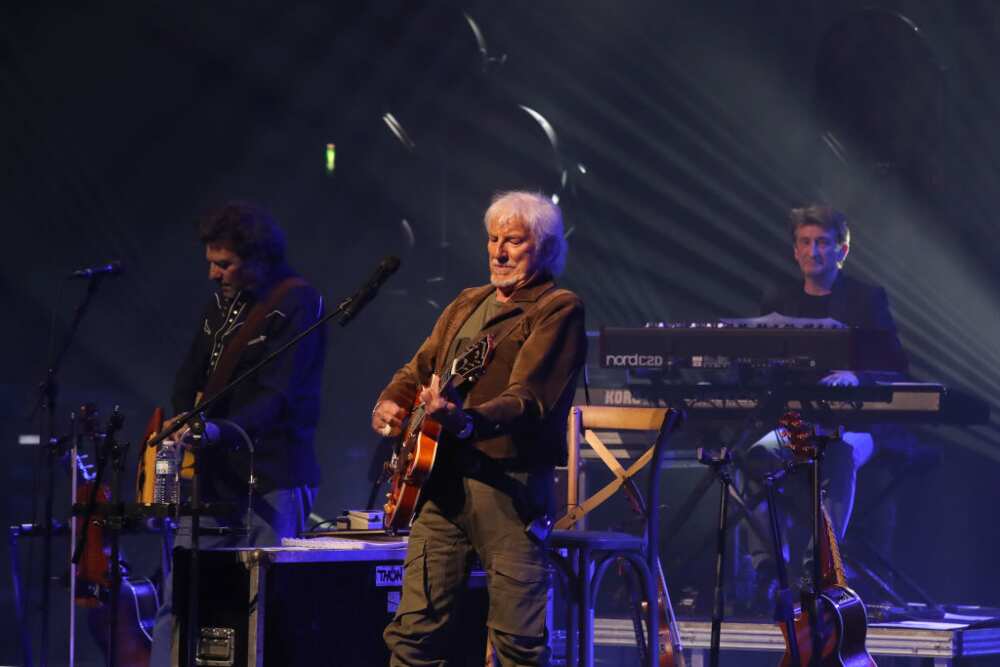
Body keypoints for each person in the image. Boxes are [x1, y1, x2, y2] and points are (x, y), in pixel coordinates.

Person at [372, 191, 587, 666]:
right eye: (493, 239)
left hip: (508, 488)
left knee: (518, 646)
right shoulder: (468, 301)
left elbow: (528, 399)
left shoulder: (557, 309)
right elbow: (418, 368)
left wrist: (467, 421)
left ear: (545, 249)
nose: (499, 252)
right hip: (439, 483)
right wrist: (390, 401)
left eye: (514, 241)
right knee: (413, 634)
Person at [149, 201, 326, 666]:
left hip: (272, 478)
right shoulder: (220, 304)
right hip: (209, 479)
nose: (213, 273)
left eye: (223, 264)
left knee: (266, 605)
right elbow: (189, 377)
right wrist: (184, 417)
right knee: (180, 602)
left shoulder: (297, 302)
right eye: (210, 261)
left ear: (258, 259)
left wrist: (218, 430)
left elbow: (278, 395)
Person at [746, 204, 907, 598]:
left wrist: (856, 377)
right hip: (798, 426)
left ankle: (822, 571)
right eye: (805, 242)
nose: (813, 251)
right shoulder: (778, 300)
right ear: (795, 250)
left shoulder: (867, 300)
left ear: (842, 250)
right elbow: (759, 363)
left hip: (856, 425)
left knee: (837, 455)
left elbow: (896, 366)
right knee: (750, 460)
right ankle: (769, 567)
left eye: (822, 242)